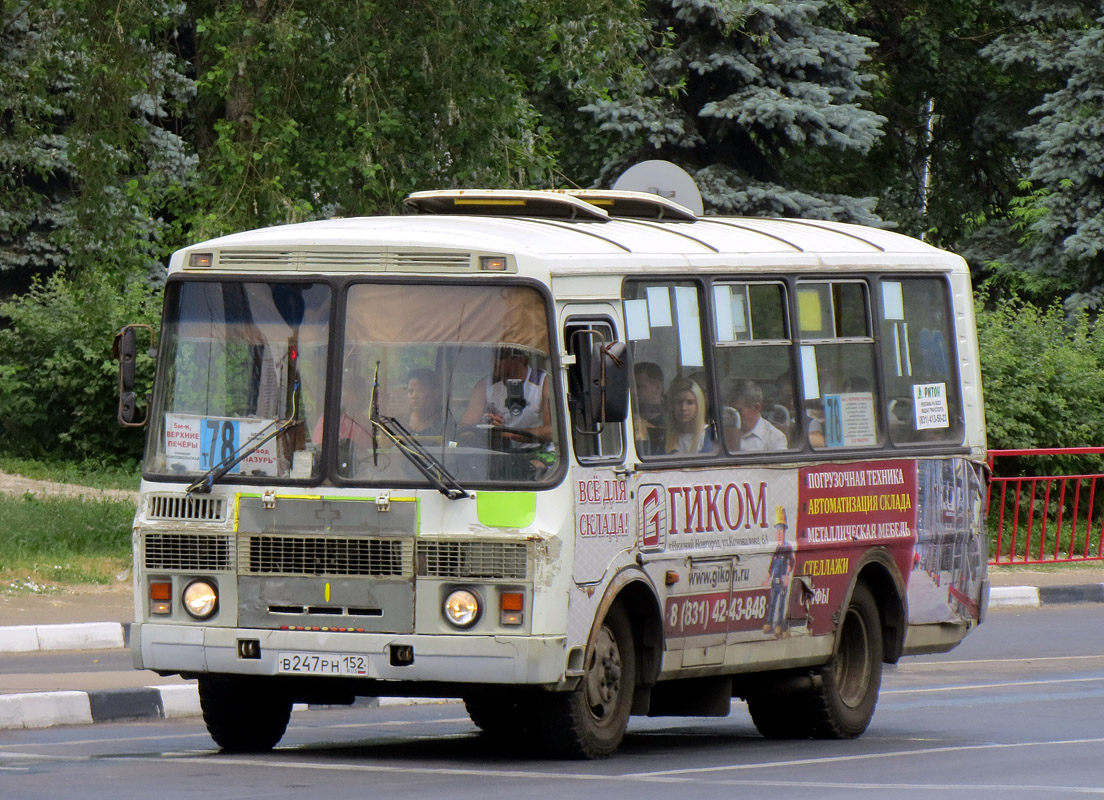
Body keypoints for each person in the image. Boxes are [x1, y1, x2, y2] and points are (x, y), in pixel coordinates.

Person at [460, 346, 552, 441]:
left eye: (502, 356)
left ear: (521, 358)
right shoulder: (484, 385)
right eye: (494, 354)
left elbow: (551, 431)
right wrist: (485, 425)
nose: (494, 360)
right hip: (498, 452)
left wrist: (510, 434)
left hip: (537, 451)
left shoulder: (543, 382)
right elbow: (464, 428)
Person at [724, 378, 788, 451]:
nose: (733, 417)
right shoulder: (721, 432)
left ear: (756, 408)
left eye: (738, 411)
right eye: (730, 411)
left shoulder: (775, 438)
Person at [664, 377, 715, 455]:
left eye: (690, 402)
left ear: (699, 405)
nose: (683, 408)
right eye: (679, 402)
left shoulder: (710, 435)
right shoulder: (665, 438)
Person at [404, 367, 443, 435]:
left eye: (420, 390)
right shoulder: (398, 424)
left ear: (436, 393)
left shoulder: (444, 428)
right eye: (411, 391)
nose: (414, 396)